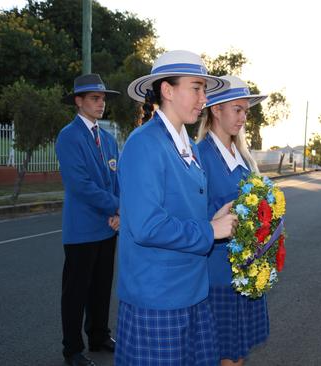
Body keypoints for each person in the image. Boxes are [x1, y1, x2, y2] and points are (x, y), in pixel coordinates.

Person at [115, 50, 237, 366]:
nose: (203, 98)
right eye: (196, 88)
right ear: (167, 91)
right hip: (158, 297)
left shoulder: (188, 146)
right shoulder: (144, 143)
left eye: (204, 90)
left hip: (192, 291)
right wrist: (210, 230)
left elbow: (181, 212)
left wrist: (213, 219)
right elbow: (148, 226)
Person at [197, 75, 269, 366]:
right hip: (217, 276)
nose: (242, 117)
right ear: (216, 110)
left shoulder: (243, 158)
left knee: (238, 355)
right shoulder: (199, 155)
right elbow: (193, 218)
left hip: (244, 271)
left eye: (245, 111)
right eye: (237, 110)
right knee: (223, 356)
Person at [56, 73, 121, 366]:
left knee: (101, 287)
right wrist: (116, 208)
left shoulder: (107, 139)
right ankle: (72, 350)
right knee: (76, 292)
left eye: (103, 98)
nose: (101, 103)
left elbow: (116, 178)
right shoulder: (68, 136)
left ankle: (98, 335)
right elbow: (80, 184)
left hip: (107, 228)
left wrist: (117, 210)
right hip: (82, 228)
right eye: (95, 98)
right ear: (78, 101)